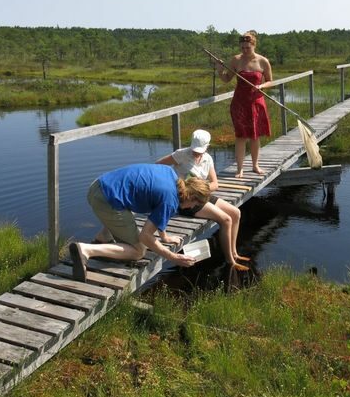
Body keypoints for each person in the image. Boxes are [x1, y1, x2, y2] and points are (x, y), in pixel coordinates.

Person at [69, 163, 211, 282]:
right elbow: (146, 236)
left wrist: (164, 237)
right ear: (191, 196)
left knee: (128, 202)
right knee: (139, 251)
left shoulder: (171, 174)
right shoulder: (170, 201)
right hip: (106, 200)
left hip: (99, 186)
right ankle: (86, 250)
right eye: (195, 204)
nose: (192, 208)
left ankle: (102, 238)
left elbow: (159, 212)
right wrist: (173, 257)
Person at [156, 129, 249, 271]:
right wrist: (174, 186)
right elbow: (157, 166)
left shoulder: (208, 159)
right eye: (195, 149)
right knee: (226, 220)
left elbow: (215, 184)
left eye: (200, 150)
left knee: (235, 213)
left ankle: (235, 253)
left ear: (207, 147)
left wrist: (200, 188)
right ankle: (230, 261)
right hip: (187, 201)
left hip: (201, 194)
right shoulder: (181, 154)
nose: (196, 153)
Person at [216, 30, 273, 178]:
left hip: (256, 102)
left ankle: (255, 165)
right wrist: (219, 71)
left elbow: (270, 81)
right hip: (239, 103)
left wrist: (261, 86)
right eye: (242, 47)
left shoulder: (263, 61)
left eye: (248, 47)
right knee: (240, 136)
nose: (245, 50)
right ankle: (239, 169)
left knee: (255, 136)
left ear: (254, 45)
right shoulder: (236, 60)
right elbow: (227, 79)